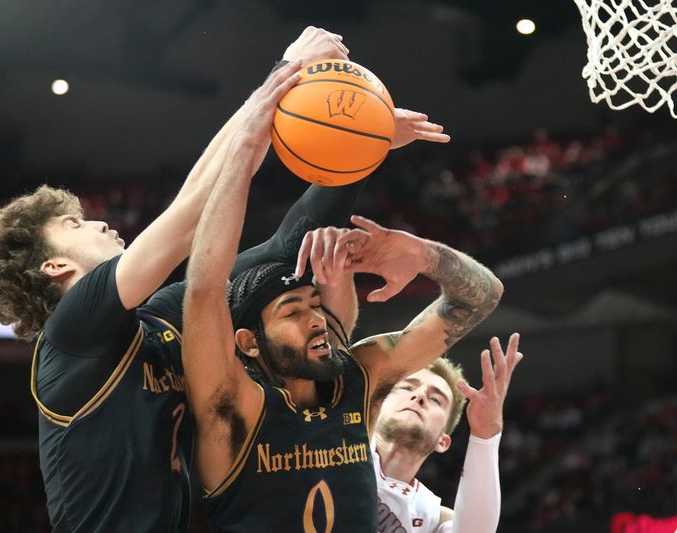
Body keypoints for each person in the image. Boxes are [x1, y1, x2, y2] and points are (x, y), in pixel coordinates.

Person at [0, 28, 449, 532]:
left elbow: (286, 250)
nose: (99, 223)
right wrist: (282, 76)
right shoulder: (70, 337)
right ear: (54, 266)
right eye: (74, 224)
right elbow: (190, 215)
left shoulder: (157, 320)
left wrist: (356, 153)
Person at [182, 75, 504, 531]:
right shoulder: (233, 406)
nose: (315, 319)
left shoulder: (356, 383)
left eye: (315, 304)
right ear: (248, 343)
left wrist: (420, 253)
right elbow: (203, 288)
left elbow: (482, 296)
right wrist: (249, 139)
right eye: (292, 312)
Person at [373, 334, 523, 533]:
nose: (419, 395)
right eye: (408, 387)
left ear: (442, 441)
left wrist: (485, 432)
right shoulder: (334, 448)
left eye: (436, 400)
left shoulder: (431, 518)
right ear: (375, 409)